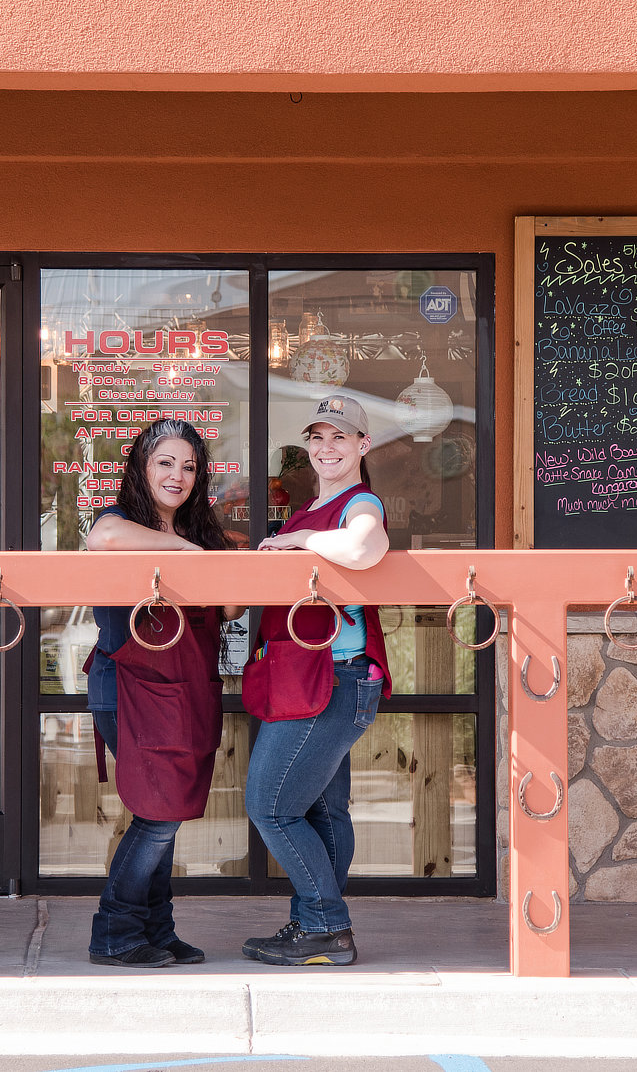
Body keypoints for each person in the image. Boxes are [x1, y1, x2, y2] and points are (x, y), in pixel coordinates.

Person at [242, 394, 390, 966]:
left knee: (271, 805)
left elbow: (363, 546)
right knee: (324, 812)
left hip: (334, 678)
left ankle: (326, 924)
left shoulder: (361, 502)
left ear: (362, 446)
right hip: (309, 676)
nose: (327, 448)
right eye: (318, 438)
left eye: (340, 437)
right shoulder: (308, 510)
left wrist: (297, 541)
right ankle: (313, 925)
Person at [82, 418, 236, 967]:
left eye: (189, 466)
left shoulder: (203, 531)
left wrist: (210, 554)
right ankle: (115, 932)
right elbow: (101, 540)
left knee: (163, 808)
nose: (178, 475)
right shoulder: (117, 521)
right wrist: (191, 556)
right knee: (160, 813)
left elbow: (232, 608)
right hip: (126, 687)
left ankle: (156, 931)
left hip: (184, 689)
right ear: (141, 468)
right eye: (165, 463)